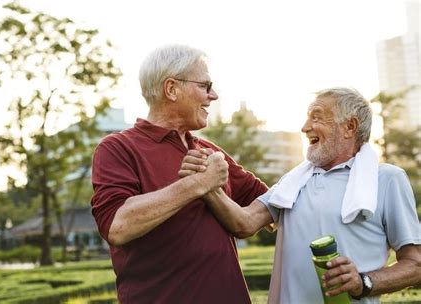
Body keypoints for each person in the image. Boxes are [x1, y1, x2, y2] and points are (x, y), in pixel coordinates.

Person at [180, 87, 421, 303]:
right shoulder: (293, 181)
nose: (305, 127)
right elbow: (244, 223)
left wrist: (363, 282)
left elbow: (415, 264)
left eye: (316, 117)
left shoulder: (386, 178)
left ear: (350, 127)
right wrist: (205, 184)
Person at [90, 44, 268, 303]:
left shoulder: (210, 151)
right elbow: (119, 226)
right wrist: (199, 184)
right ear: (171, 89)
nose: (213, 95)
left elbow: (271, 202)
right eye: (205, 86)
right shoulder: (118, 148)